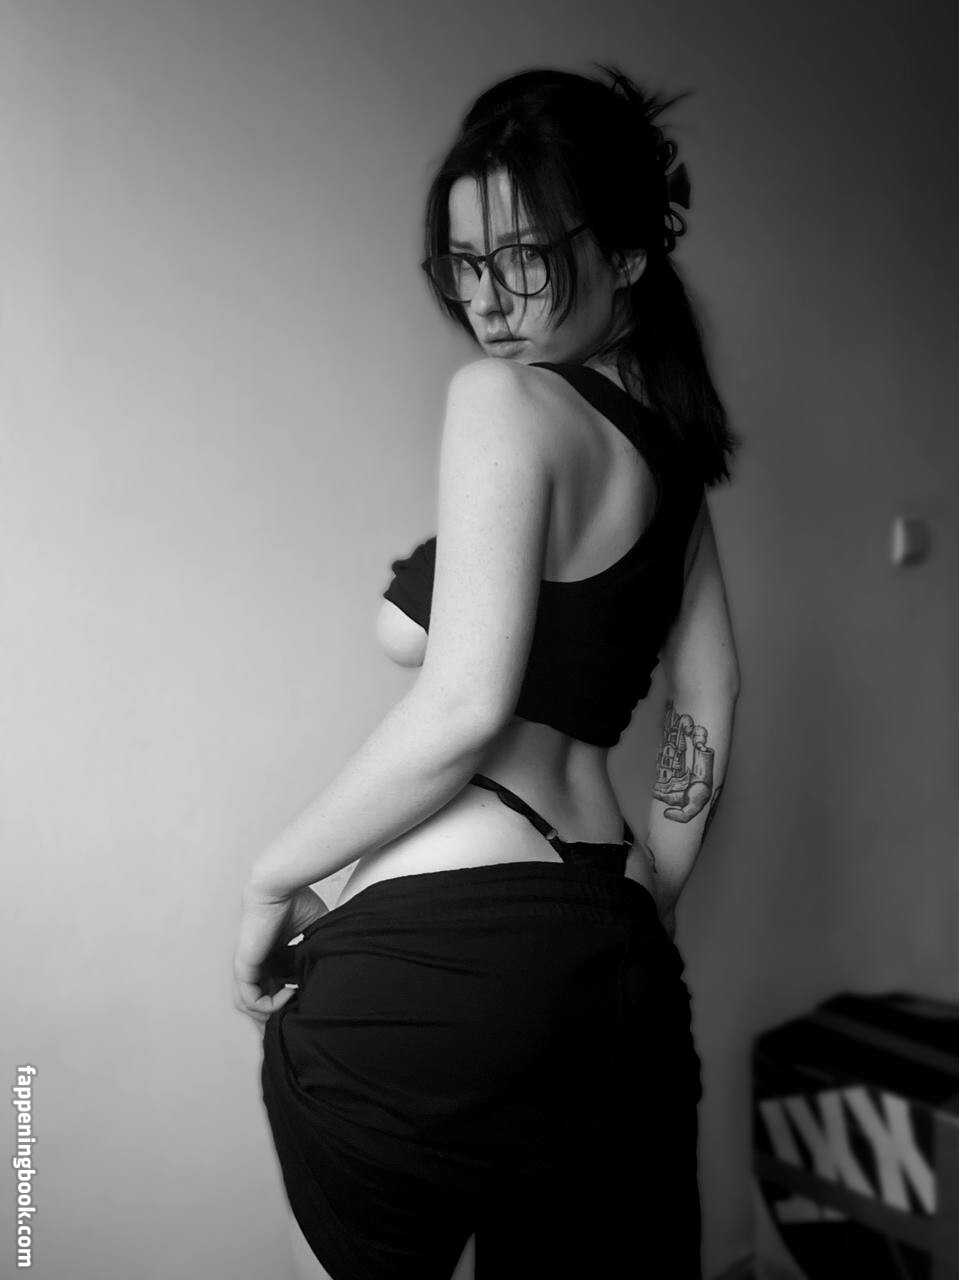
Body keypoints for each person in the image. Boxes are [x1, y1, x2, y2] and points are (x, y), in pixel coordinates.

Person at [233, 62, 741, 1280]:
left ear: (626, 253)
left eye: (523, 255)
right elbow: (709, 697)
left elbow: (459, 701)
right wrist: (657, 897)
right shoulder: (671, 472)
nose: (487, 300)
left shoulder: (501, 400)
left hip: (436, 972)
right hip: (614, 953)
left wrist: (271, 877)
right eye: (463, 262)